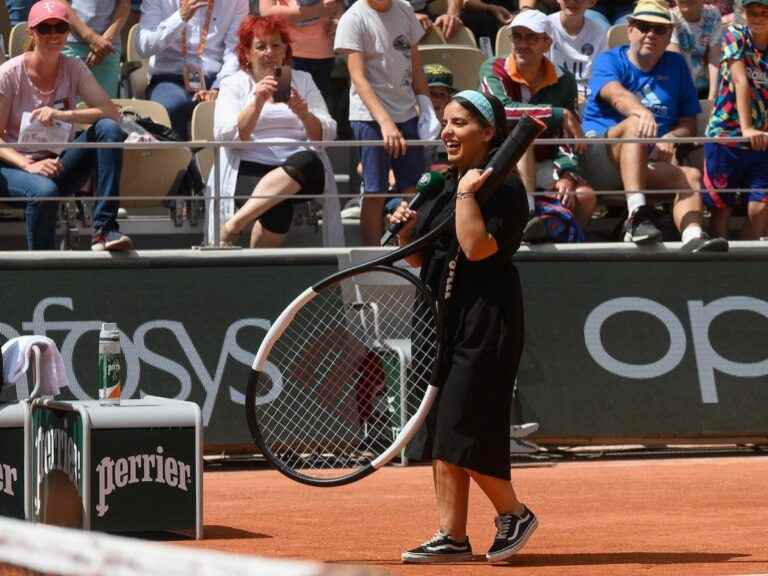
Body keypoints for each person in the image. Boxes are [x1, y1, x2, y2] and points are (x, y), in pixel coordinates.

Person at [391, 90, 536, 564]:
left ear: (488, 133)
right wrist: (406, 229)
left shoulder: (504, 188)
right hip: (438, 315)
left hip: (485, 318)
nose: (447, 132)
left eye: (460, 124)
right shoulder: (444, 183)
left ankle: (514, 512)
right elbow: (420, 257)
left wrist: (469, 193)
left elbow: (476, 249)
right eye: (445, 122)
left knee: (459, 428)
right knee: (441, 430)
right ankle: (451, 536)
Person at [581, 0, 728, 252]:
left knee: (690, 176)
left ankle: (693, 237)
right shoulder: (609, 59)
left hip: (646, 160)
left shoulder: (676, 65)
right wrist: (641, 112)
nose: (650, 34)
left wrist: (670, 136)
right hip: (601, 158)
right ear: (630, 29)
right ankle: (637, 217)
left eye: (659, 29)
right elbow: (615, 94)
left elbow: (688, 124)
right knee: (635, 126)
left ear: (669, 34)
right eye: (643, 26)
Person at [0, 0, 131, 251]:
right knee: (45, 190)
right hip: (13, 166)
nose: (53, 35)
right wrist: (29, 164)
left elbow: (111, 113)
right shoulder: (9, 73)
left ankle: (105, 230)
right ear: (31, 32)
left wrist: (65, 115)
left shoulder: (74, 67)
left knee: (108, 129)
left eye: (59, 28)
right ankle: (43, 269)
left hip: (58, 162)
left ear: (67, 33)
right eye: (44, 29)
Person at [216, 16, 336, 248]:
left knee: (308, 160)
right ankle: (256, 271)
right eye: (261, 46)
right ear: (247, 54)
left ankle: (233, 226)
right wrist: (256, 102)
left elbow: (327, 131)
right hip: (250, 166)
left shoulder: (303, 80)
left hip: (302, 168)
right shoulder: (234, 84)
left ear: (285, 51)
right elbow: (225, 135)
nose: (269, 52)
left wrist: (304, 114)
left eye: (276, 45)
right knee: (278, 207)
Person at [481, 10, 596, 242]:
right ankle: (529, 213)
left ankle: (571, 255)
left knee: (585, 196)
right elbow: (501, 110)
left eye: (531, 38)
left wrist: (567, 173)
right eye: (517, 37)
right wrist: (557, 113)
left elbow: (569, 136)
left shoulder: (565, 80)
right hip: (496, 161)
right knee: (523, 133)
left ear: (547, 43)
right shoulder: (493, 68)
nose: (522, 44)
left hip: (545, 162)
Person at [334, 0, 438, 245]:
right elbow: (358, 77)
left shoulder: (404, 9)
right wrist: (385, 122)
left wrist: (426, 107)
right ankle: (370, 256)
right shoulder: (353, 18)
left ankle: (412, 248)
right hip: (369, 117)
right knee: (375, 190)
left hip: (407, 112)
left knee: (414, 188)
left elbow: (415, 65)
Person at [136, 0, 249, 140]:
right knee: (173, 107)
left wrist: (220, 87)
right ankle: (181, 160)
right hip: (169, 77)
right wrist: (180, 17)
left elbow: (235, 52)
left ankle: (216, 161)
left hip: (216, 78)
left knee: (238, 107)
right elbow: (143, 46)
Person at [702, 0, 768, 239]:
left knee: (760, 208)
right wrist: (747, 128)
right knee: (721, 208)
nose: (759, 18)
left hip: (763, 138)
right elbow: (741, 81)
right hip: (726, 135)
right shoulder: (734, 34)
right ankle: (717, 270)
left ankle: (746, 267)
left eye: (765, 13)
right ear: (744, 13)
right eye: (753, 12)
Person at [257, 0, 342, 101]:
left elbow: (337, 4)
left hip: (324, 55)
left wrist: (338, 20)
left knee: (318, 108)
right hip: (287, 55)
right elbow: (267, 12)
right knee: (283, 104)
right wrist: (316, 11)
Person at [60, 0, 132, 97]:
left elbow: (125, 3)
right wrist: (91, 38)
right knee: (68, 109)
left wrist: (105, 41)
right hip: (71, 45)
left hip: (108, 50)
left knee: (105, 110)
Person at [547, 0, 608, 103]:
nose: (572, 2)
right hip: (552, 92)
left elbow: (601, 73)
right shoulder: (545, 27)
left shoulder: (600, 32)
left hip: (589, 95)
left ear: (592, 2)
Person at [669, 0, 722, 100]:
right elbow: (675, 62)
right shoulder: (670, 17)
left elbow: (714, 57)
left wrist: (712, 97)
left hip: (705, 85)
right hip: (680, 89)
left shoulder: (713, 14)